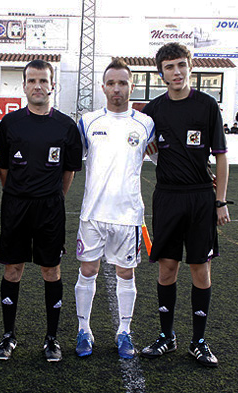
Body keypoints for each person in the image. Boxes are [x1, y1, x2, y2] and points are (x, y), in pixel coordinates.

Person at [140, 42, 230, 368]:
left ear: (190, 67)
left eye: (181, 65)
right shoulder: (152, 110)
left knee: (200, 269)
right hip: (166, 196)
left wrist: (220, 201)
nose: (176, 72)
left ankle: (199, 341)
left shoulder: (207, 105)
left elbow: (221, 156)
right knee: (167, 268)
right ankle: (167, 336)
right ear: (160, 72)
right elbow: (140, 148)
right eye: (169, 67)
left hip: (200, 197)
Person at [0, 59, 82, 362]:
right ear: (24, 86)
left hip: (50, 209)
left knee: (51, 269)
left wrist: (52, 197)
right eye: (32, 81)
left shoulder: (66, 127)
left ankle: (52, 338)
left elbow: (68, 172)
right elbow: (3, 169)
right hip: (15, 206)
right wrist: (20, 194)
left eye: (43, 81)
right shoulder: (9, 124)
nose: (38, 86)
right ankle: (8, 336)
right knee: (13, 268)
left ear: (52, 85)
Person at [74, 58, 156, 359]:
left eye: (122, 83)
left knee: (126, 273)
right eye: (111, 83)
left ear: (131, 86)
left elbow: (164, 159)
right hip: (93, 214)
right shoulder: (89, 121)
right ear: (103, 86)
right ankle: (84, 329)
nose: (116, 89)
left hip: (128, 215)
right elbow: (73, 161)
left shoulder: (145, 124)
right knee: (87, 270)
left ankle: (124, 331)